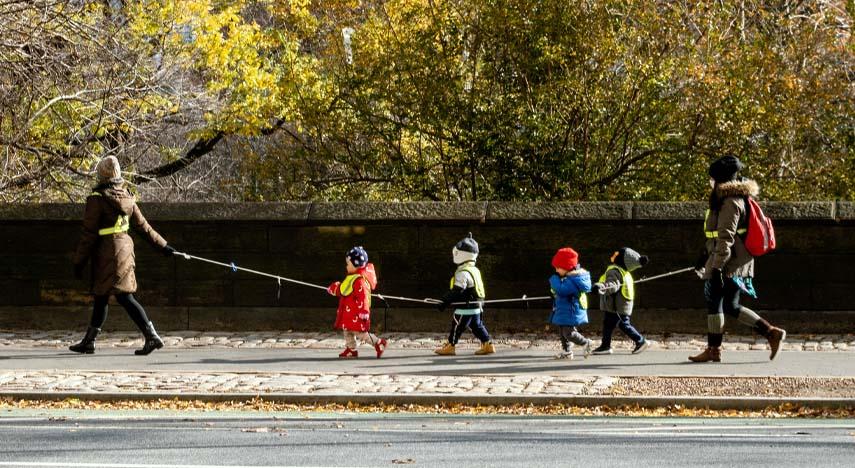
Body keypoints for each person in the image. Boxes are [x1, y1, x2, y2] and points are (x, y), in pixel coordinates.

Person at [70, 156, 175, 355]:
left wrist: (79, 261)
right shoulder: (127, 196)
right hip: (125, 249)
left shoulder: (97, 199)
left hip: (106, 252)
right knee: (102, 295)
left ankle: (151, 336)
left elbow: (88, 235)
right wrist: (164, 245)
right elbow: (143, 227)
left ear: (101, 174)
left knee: (124, 296)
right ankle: (89, 341)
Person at [690, 155, 786, 363]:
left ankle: (713, 350)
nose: (710, 182)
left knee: (715, 303)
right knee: (731, 306)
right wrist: (704, 255)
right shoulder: (730, 199)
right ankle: (771, 333)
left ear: (720, 180)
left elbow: (725, 237)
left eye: (712, 179)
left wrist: (716, 270)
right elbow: (715, 236)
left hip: (728, 263)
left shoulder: (730, 202)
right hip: (733, 261)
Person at [434, 233, 495, 356]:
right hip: (477, 306)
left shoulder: (463, 272)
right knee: (477, 326)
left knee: (457, 326)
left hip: (465, 307)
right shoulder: (474, 269)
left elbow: (458, 290)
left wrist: (444, 301)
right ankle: (488, 344)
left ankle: (451, 345)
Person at [327, 246, 386, 358]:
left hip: (356, 313)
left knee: (361, 334)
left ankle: (378, 342)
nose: (346, 266)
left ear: (355, 264)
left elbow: (363, 297)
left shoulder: (359, 281)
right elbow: (343, 289)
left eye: (348, 264)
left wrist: (364, 311)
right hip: (349, 313)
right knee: (347, 331)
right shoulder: (352, 278)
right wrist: (334, 289)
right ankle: (351, 349)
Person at [591, 247, 650, 355]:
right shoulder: (624, 272)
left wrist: (600, 287)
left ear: (621, 259)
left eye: (617, 253)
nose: (614, 253)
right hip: (620, 304)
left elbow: (613, 285)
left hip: (615, 306)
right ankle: (605, 345)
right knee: (609, 324)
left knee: (623, 324)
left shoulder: (614, 271)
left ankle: (640, 340)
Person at [549, 247, 593, 360]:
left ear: (567, 267)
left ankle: (585, 343)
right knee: (562, 331)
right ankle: (567, 351)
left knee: (568, 333)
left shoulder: (574, 279)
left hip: (571, 310)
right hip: (565, 309)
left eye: (558, 268)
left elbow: (562, 290)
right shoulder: (568, 277)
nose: (556, 271)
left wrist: (554, 280)